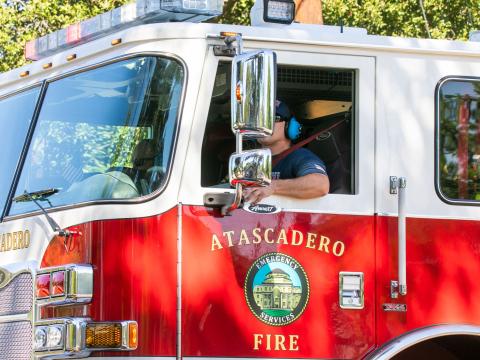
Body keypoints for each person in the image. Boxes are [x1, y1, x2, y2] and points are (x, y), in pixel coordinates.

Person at [243, 101, 329, 204]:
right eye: (258, 119)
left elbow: (320, 185)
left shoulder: (299, 156)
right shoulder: (249, 160)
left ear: (290, 126)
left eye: (272, 118)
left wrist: (273, 186)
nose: (262, 124)